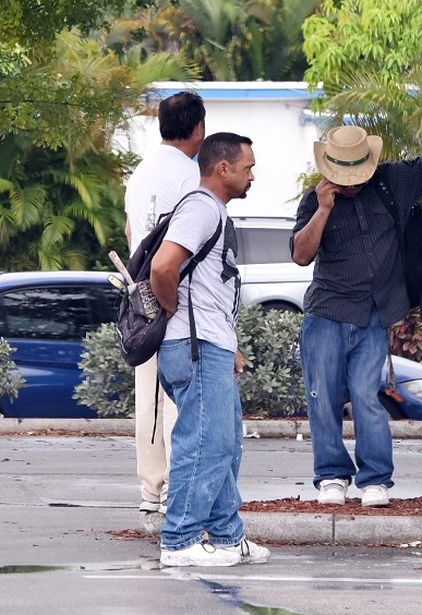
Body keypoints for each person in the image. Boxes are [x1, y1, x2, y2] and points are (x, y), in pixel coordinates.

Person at [291, 121, 422, 508]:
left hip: (372, 314)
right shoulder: (314, 199)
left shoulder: (391, 182)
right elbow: (301, 254)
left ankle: (375, 479)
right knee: (321, 398)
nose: (351, 183)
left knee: (367, 396)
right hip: (326, 313)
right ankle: (332, 476)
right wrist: (323, 210)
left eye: (356, 175)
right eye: (344, 176)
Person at [150, 132, 269, 567]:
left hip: (212, 345)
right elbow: (164, 267)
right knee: (202, 443)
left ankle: (225, 536)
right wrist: (175, 312)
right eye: (248, 167)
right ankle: (178, 540)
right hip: (194, 346)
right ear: (223, 169)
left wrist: (229, 345)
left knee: (224, 445)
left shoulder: (214, 211)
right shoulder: (201, 207)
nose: (252, 175)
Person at [123, 91, 206, 533]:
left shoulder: (140, 175)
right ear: (198, 129)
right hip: (177, 296)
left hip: (140, 296)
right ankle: (176, 489)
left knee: (148, 394)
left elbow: (132, 231)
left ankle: (151, 490)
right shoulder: (190, 177)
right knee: (177, 393)